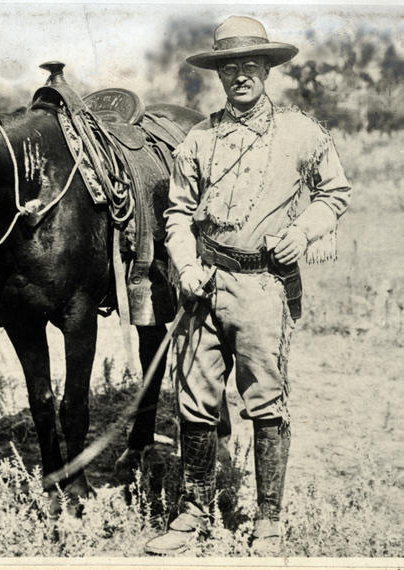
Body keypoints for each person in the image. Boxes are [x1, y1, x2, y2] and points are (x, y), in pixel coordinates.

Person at [144, 15, 352, 555]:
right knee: (193, 400)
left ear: (267, 69)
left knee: (266, 403)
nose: (240, 75)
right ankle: (192, 514)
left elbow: (335, 193)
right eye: (229, 67)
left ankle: (268, 520)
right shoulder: (199, 138)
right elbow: (178, 213)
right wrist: (186, 266)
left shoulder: (303, 132)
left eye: (250, 65)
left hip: (264, 286)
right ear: (218, 74)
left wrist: (303, 232)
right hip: (204, 282)